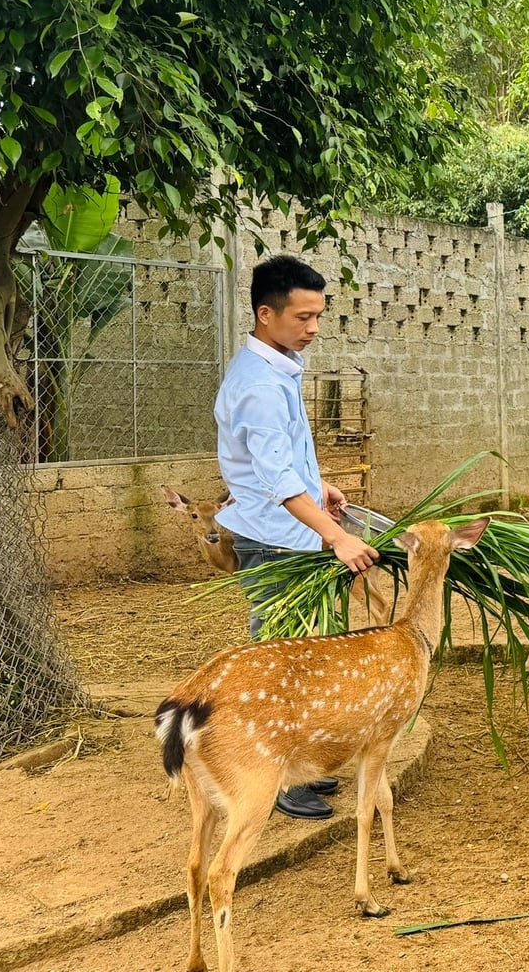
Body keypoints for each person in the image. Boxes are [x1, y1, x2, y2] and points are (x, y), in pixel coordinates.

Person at [214, 255, 380, 819]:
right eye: (303, 317)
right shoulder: (259, 384)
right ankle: (278, 780)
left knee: (306, 654)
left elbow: (284, 465)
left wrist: (320, 485)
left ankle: (300, 765)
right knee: (279, 663)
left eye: (318, 317)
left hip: (289, 528)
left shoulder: (277, 365)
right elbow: (277, 480)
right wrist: (337, 536)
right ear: (266, 313)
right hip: (273, 540)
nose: (313, 328)